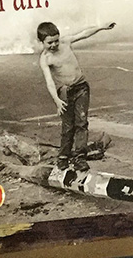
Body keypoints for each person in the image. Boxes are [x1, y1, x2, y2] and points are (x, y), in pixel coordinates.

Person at [37, 20, 116, 171]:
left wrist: (101, 27)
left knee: (81, 122)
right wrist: (57, 100)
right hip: (64, 92)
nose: (54, 45)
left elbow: (84, 34)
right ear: (41, 42)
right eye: (49, 43)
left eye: (56, 41)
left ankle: (79, 156)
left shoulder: (65, 42)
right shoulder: (45, 58)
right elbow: (49, 82)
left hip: (81, 87)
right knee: (68, 126)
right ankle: (63, 156)